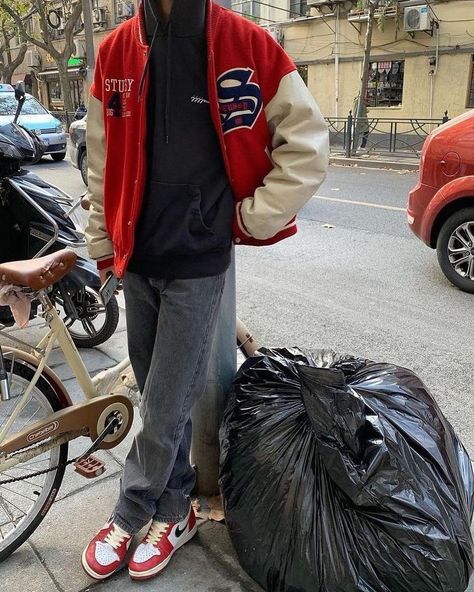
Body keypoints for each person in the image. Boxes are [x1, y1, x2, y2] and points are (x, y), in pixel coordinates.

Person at [83, 0, 329, 583]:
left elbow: (308, 143)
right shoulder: (115, 50)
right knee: (156, 394)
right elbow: (101, 158)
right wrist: (101, 243)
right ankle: (176, 512)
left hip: (198, 261)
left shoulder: (244, 43)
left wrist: (250, 217)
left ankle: (130, 510)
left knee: (165, 405)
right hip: (136, 257)